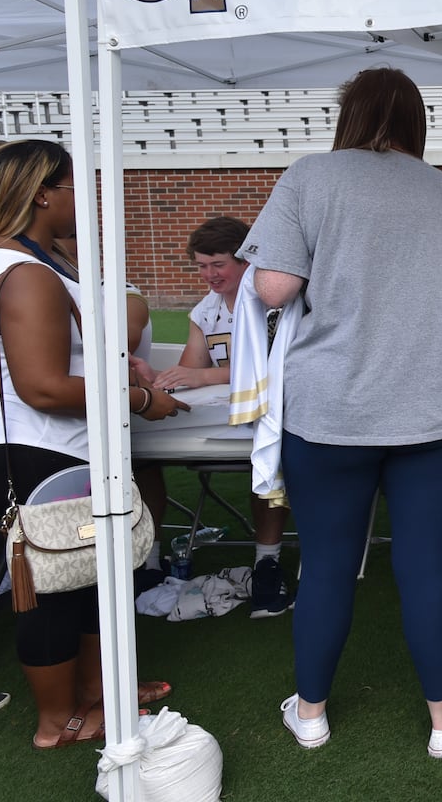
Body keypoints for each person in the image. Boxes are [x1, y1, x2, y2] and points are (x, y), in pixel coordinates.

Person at [242, 67, 442, 759]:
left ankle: (312, 713)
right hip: (437, 409)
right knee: (423, 562)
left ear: (348, 115)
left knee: (325, 563)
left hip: (330, 407)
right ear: (417, 121)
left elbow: (274, 287)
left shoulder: (309, 176)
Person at [0, 140, 186, 749]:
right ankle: (57, 723)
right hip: (32, 451)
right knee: (55, 591)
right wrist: (140, 401)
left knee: (86, 576)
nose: (79, 200)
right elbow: (41, 386)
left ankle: (96, 693)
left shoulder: (30, 258)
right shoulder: (28, 274)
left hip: (42, 450)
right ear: (41, 195)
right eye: (71, 188)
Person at [152, 216, 293, 617]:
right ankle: (147, 564)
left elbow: (272, 365)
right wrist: (166, 379)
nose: (209, 274)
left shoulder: (271, 302)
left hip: (266, 418)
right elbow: (189, 369)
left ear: (245, 261)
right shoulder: (205, 310)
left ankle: (267, 561)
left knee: (265, 464)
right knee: (142, 460)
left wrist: (202, 375)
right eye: (201, 265)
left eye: (218, 264)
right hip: (217, 421)